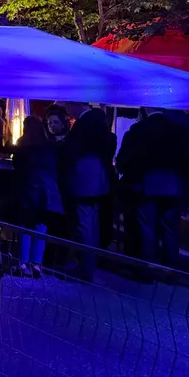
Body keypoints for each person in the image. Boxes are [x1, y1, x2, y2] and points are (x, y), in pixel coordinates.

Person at [116, 108, 189, 266]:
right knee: (171, 231)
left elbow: (126, 160)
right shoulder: (178, 130)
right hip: (173, 186)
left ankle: (148, 269)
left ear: (146, 108)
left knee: (148, 230)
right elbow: (187, 161)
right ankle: (171, 269)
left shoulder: (138, 129)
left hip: (147, 187)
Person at [62, 108, 117, 280]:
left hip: (84, 179)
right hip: (98, 180)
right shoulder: (101, 125)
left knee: (85, 225)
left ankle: (85, 268)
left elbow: (71, 150)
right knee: (92, 224)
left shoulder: (83, 125)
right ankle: (89, 265)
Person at [13, 117, 64, 278]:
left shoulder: (24, 146)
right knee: (41, 227)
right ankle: (36, 264)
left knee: (25, 227)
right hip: (48, 193)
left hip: (30, 190)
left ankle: (23, 263)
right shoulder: (50, 146)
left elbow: (18, 167)